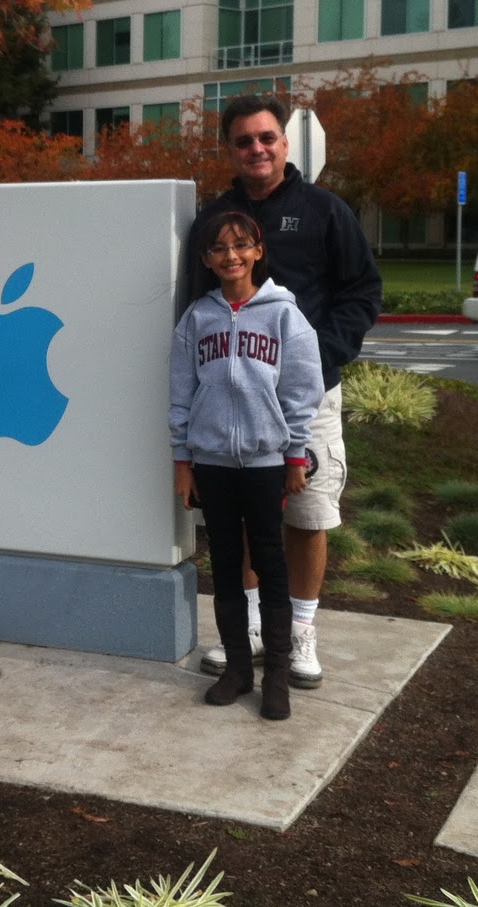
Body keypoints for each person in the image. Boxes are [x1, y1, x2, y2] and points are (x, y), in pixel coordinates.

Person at [191, 93, 382, 691]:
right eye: (244, 140)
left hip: (308, 401)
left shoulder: (325, 211)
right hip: (234, 404)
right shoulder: (213, 219)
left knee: (306, 515)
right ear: (230, 149)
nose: (257, 148)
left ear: (284, 141)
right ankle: (251, 628)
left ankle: (299, 630)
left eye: (266, 137)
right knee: (245, 518)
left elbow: (362, 292)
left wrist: (319, 357)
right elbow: (194, 308)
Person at [171, 209, 325, 719]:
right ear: (205, 259)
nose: (230, 256)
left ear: (258, 251)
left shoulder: (283, 316)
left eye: (240, 245)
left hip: (264, 462)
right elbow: (181, 393)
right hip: (212, 461)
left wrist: (295, 455)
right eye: (218, 248)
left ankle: (276, 674)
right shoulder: (198, 318)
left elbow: (302, 390)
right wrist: (183, 460)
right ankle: (238, 668)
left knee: (269, 562)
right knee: (224, 564)